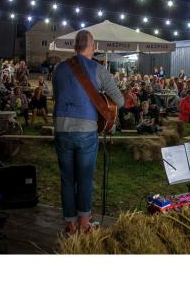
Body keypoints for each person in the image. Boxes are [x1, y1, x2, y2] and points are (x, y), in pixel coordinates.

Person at [52, 30, 124, 235]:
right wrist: (99, 96)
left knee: (67, 178)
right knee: (84, 177)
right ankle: (84, 224)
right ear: (92, 46)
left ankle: (70, 224)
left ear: (75, 47)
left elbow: (57, 95)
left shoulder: (59, 68)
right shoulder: (98, 70)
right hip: (86, 130)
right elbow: (119, 101)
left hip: (62, 127)